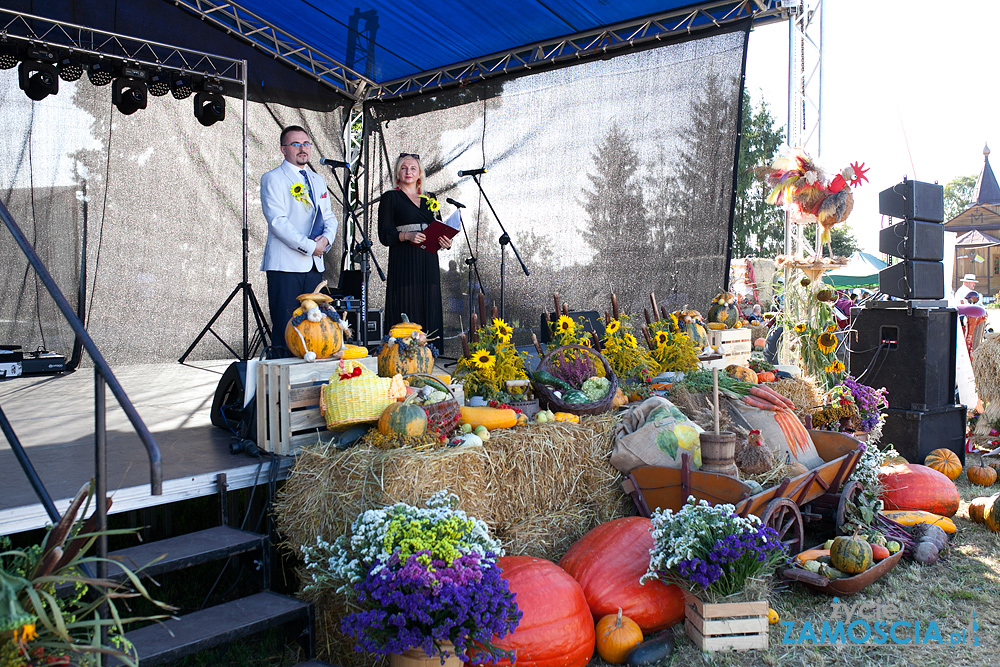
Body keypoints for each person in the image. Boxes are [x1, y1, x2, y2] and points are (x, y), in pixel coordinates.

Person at [260, 126, 337, 352]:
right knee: (287, 327)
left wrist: (325, 242)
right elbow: (277, 222)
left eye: (306, 144)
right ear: (283, 149)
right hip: (286, 265)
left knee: (314, 324)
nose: (302, 149)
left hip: (314, 265)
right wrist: (310, 246)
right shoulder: (273, 178)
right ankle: (281, 383)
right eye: (296, 144)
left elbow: (329, 217)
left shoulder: (317, 180)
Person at [378, 153, 452, 341]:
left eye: (413, 168)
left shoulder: (430, 198)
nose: (408, 172)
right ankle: (403, 350)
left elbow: (440, 226)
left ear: (420, 173)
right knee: (406, 301)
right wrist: (406, 236)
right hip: (404, 258)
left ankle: (431, 349)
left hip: (428, 259)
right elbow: (385, 234)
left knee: (429, 301)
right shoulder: (390, 197)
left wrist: (445, 241)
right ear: (397, 173)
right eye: (403, 168)